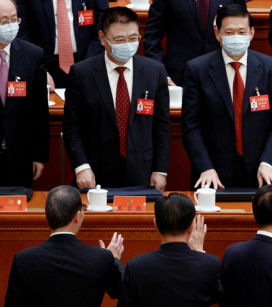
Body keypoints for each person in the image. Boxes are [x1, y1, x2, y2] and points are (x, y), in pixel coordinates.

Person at [63, 7, 171, 190]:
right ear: (103, 38)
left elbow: (162, 126)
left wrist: (160, 170)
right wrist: (81, 166)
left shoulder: (155, 72)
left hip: (142, 171)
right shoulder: (82, 73)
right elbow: (71, 127)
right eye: (119, 40)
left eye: (133, 38)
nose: (127, 44)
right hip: (95, 174)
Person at [182, 5, 272, 189]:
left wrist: (267, 163)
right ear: (218, 34)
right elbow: (190, 125)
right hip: (211, 174)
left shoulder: (270, 68)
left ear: (252, 33)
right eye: (229, 32)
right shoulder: (197, 69)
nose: (236, 38)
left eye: (242, 32)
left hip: (259, 171)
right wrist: (205, 167)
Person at [0, 0, 49, 189]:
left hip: (20, 157)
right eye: (4, 22)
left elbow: (40, 112)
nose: (11, 26)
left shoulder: (32, 55)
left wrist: (39, 156)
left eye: (14, 19)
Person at [143, 0, 246, 87]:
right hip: (179, 78)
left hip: (223, 74)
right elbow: (152, 37)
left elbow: (243, 29)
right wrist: (162, 75)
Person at [16, 0, 108, 89]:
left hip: (85, 62)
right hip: (44, 66)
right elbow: (22, 33)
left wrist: (89, 66)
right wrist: (38, 68)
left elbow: (103, 31)